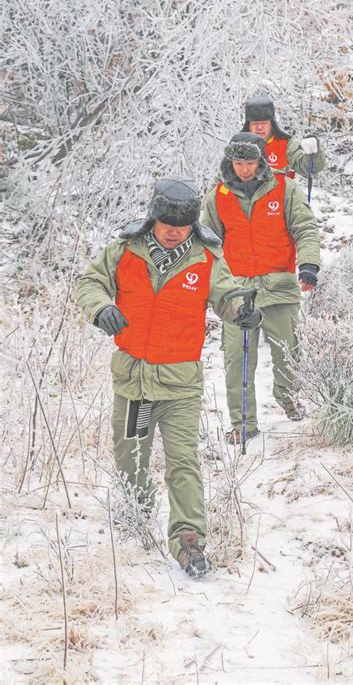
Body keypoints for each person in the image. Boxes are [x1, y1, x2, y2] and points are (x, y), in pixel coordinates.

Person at [74, 176, 261, 577]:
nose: (174, 232)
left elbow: (226, 294)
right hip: (135, 383)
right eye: (167, 224)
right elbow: (88, 282)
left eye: (182, 226)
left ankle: (189, 541)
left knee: (182, 461)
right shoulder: (123, 250)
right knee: (132, 458)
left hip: (179, 385)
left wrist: (240, 310)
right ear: (152, 218)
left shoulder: (206, 257)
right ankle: (137, 515)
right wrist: (100, 306)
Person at [201, 133, 320, 444]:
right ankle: (243, 423)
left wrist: (308, 264)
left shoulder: (285, 188)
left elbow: (305, 227)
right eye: (238, 163)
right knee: (236, 360)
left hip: (279, 285)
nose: (244, 169)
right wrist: (210, 288)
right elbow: (208, 247)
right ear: (230, 162)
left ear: (261, 160)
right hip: (235, 292)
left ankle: (289, 400)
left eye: (250, 162)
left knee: (288, 352)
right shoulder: (217, 196)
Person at [241, 95, 325, 179]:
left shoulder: (286, 145)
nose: (259, 127)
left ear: (271, 124)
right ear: (248, 125)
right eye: (255, 123)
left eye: (264, 123)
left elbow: (309, 168)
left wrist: (312, 153)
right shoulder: (239, 145)